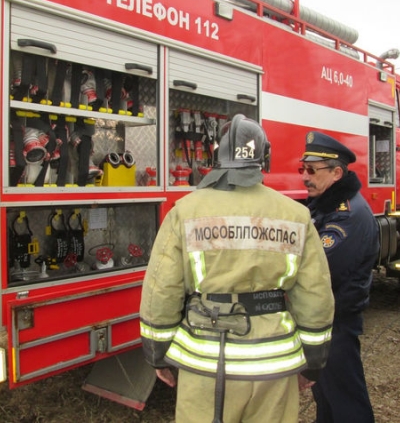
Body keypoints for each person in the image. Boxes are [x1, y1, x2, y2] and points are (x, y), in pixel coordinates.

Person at [139, 114, 335, 423]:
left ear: (218, 156)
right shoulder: (296, 216)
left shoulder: (186, 212)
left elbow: (161, 289)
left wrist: (158, 353)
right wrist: (312, 362)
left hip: (205, 367)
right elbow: (315, 295)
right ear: (264, 158)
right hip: (275, 368)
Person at [299, 131, 378, 423]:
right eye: (302, 169)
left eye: (312, 170)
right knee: (327, 400)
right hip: (325, 321)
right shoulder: (326, 206)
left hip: (337, 326)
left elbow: (317, 270)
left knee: (347, 402)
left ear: (336, 173)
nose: (305, 177)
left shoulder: (347, 215)